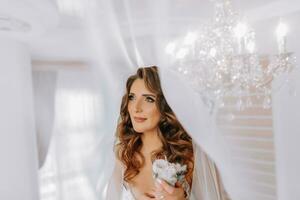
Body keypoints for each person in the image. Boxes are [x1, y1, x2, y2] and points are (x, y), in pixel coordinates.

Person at [106, 66, 226, 200]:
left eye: (149, 99)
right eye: (132, 97)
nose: (136, 108)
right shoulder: (123, 155)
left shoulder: (191, 158)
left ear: (166, 105)